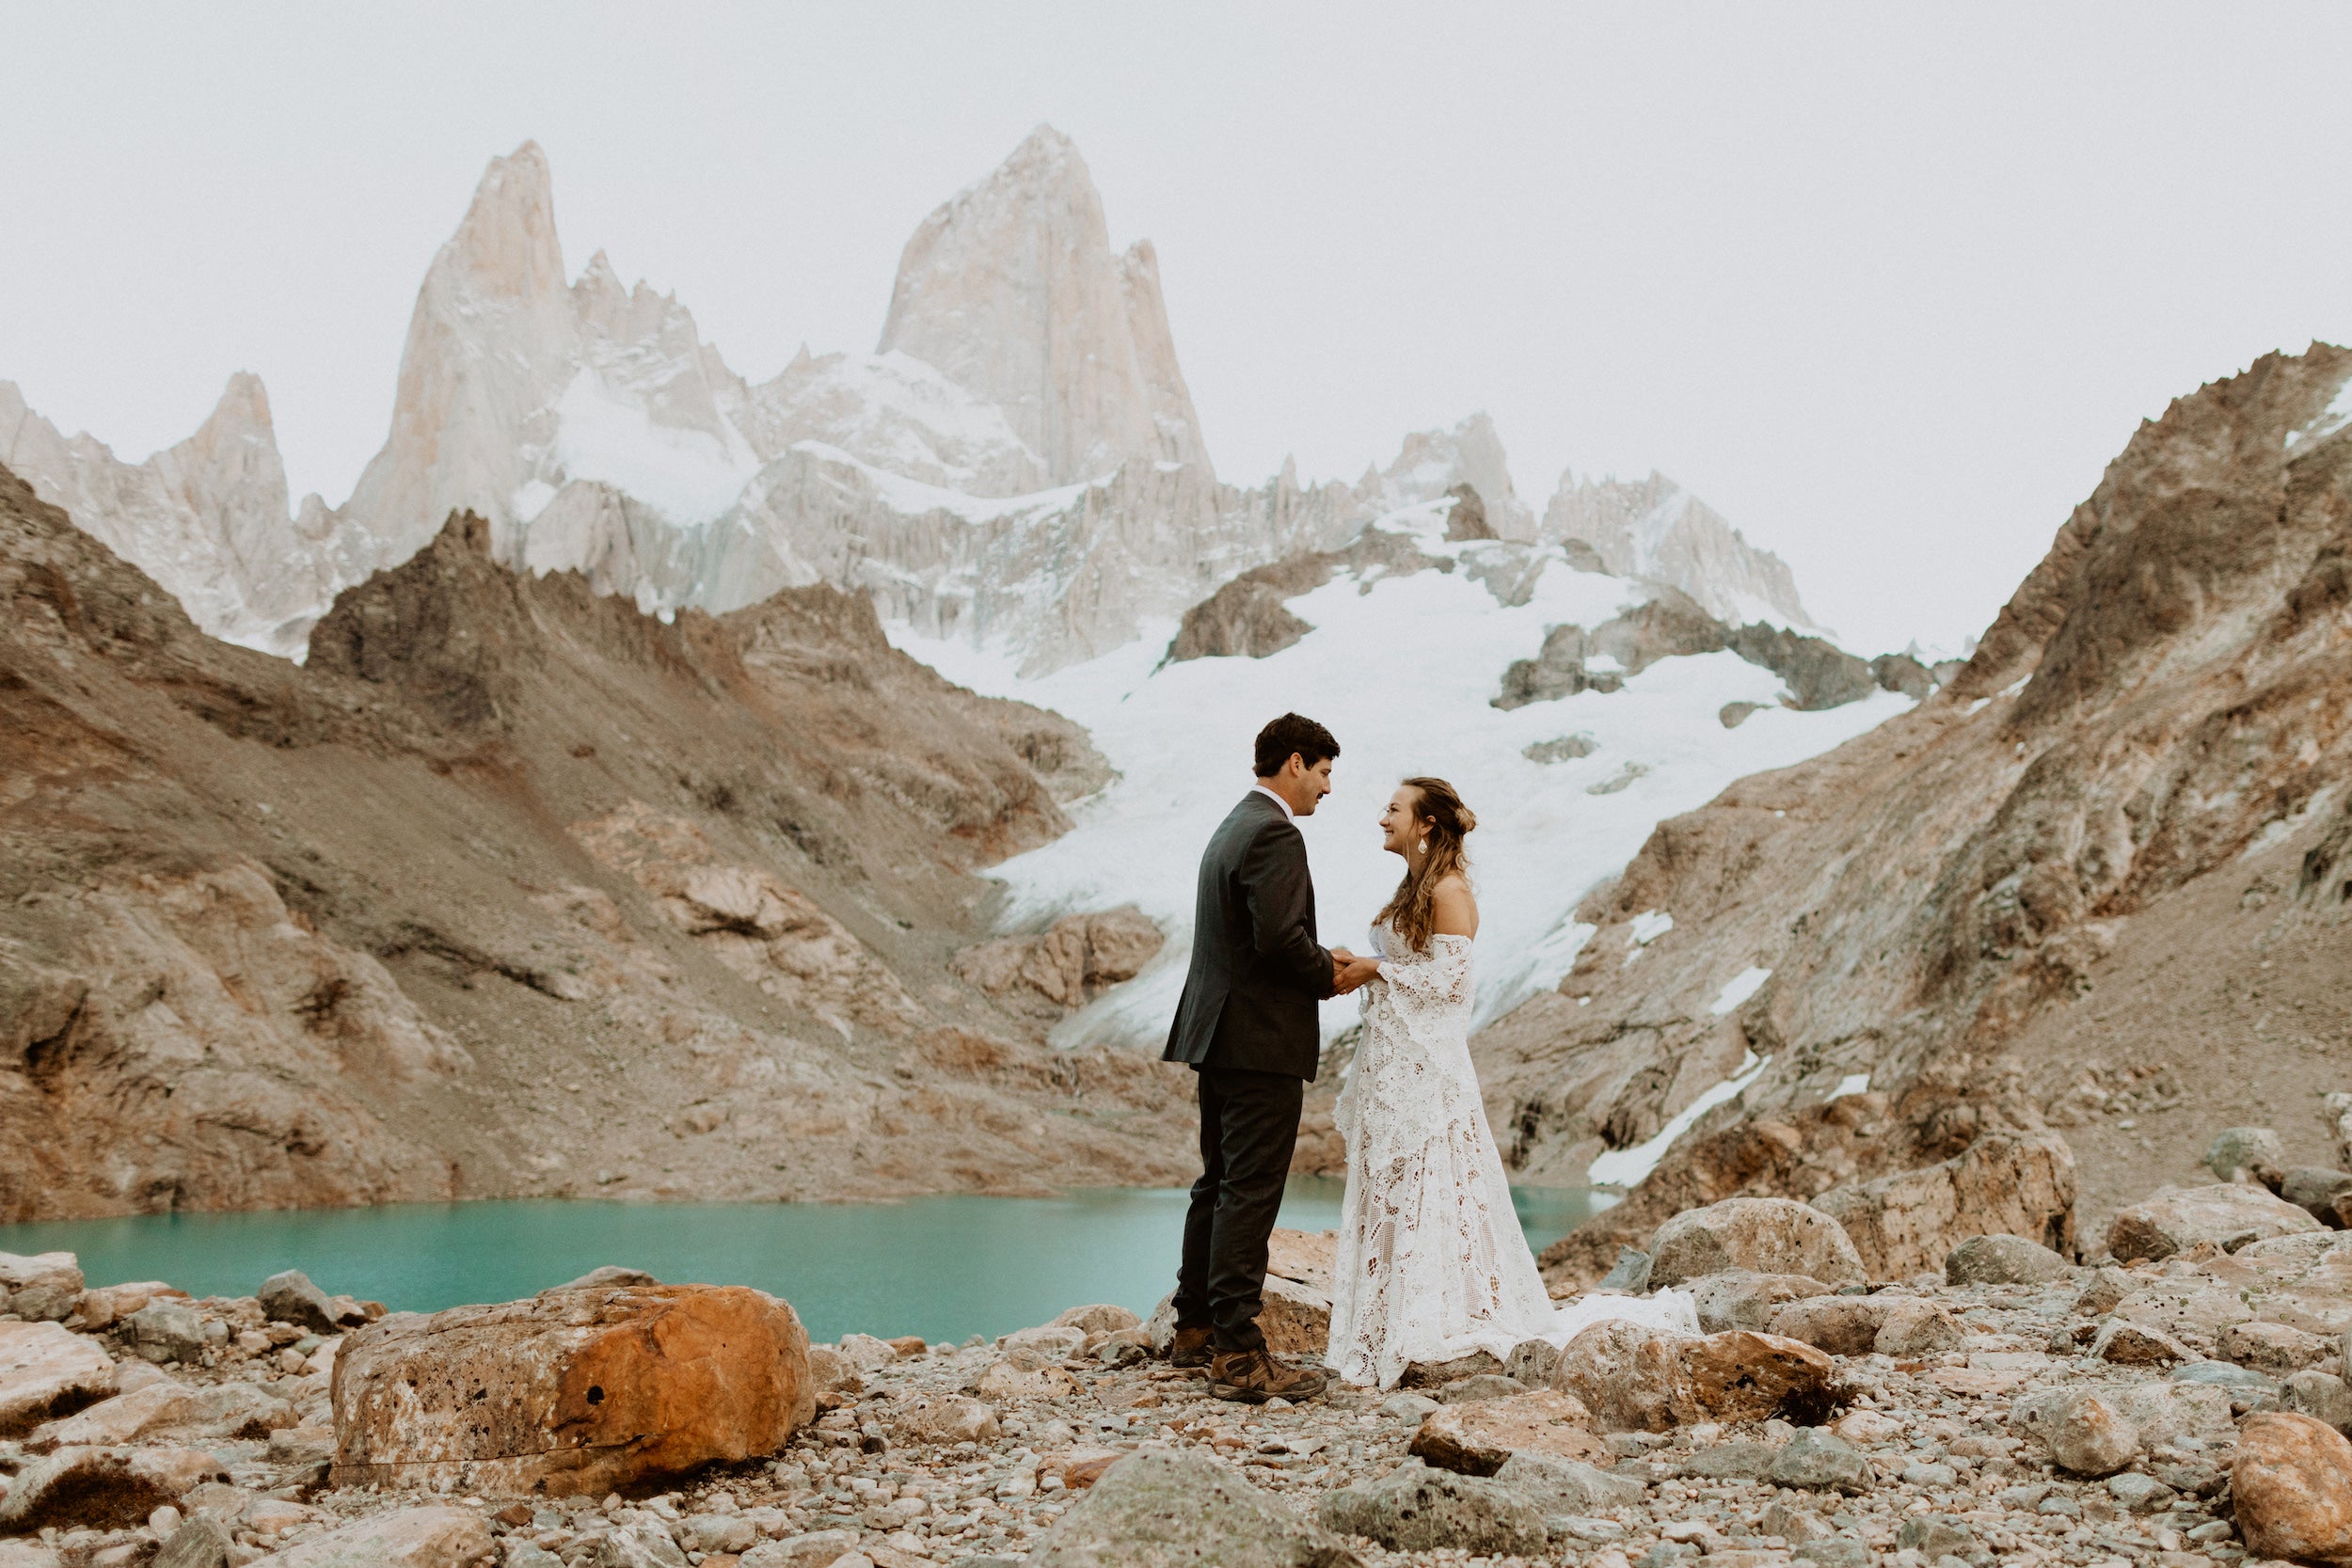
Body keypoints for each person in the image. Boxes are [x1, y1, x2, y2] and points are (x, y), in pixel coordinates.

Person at [1323, 776, 1697, 1389]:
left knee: (1426, 1185)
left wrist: (1377, 969)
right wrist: (1362, 962)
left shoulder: (1448, 889)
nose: (1381, 817)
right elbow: (1409, 965)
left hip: (1428, 1072)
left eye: (1393, 809)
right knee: (1388, 1186)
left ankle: (1430, 1319)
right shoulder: (1414, 885)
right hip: (1391, 1068)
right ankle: (1380, 1324)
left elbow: (1451, 985)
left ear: (1425, 824)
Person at [1162, 712, 1368, 1403]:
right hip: (1258, 1041)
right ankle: (1240, 1353)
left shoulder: (1233, 824)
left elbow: (1256, 937)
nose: (1328, 788)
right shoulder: (1276, 831)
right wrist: (1327, 970)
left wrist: (1313, 956)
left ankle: (1194, 1328)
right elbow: (1280, 938)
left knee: (1217, 1181)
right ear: (1295, 763)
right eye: (1324, 771)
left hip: (1219, 1035)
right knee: (1249, 1188)